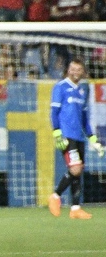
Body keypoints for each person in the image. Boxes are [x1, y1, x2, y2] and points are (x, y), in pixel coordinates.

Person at [48, 59, 104, 220]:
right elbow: (54, 112)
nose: (75, 72)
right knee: (75, 169)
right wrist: (57, 132)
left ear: (83, 72)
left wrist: (92, 138)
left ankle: (75, 208)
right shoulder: (60, 87)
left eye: (78, 69)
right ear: (68, 70)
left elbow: (84, 117)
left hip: (79, 136)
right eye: (72, 69)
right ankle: (55, 195)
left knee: (78, 173)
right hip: (66, 135)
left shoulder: (82, 90)